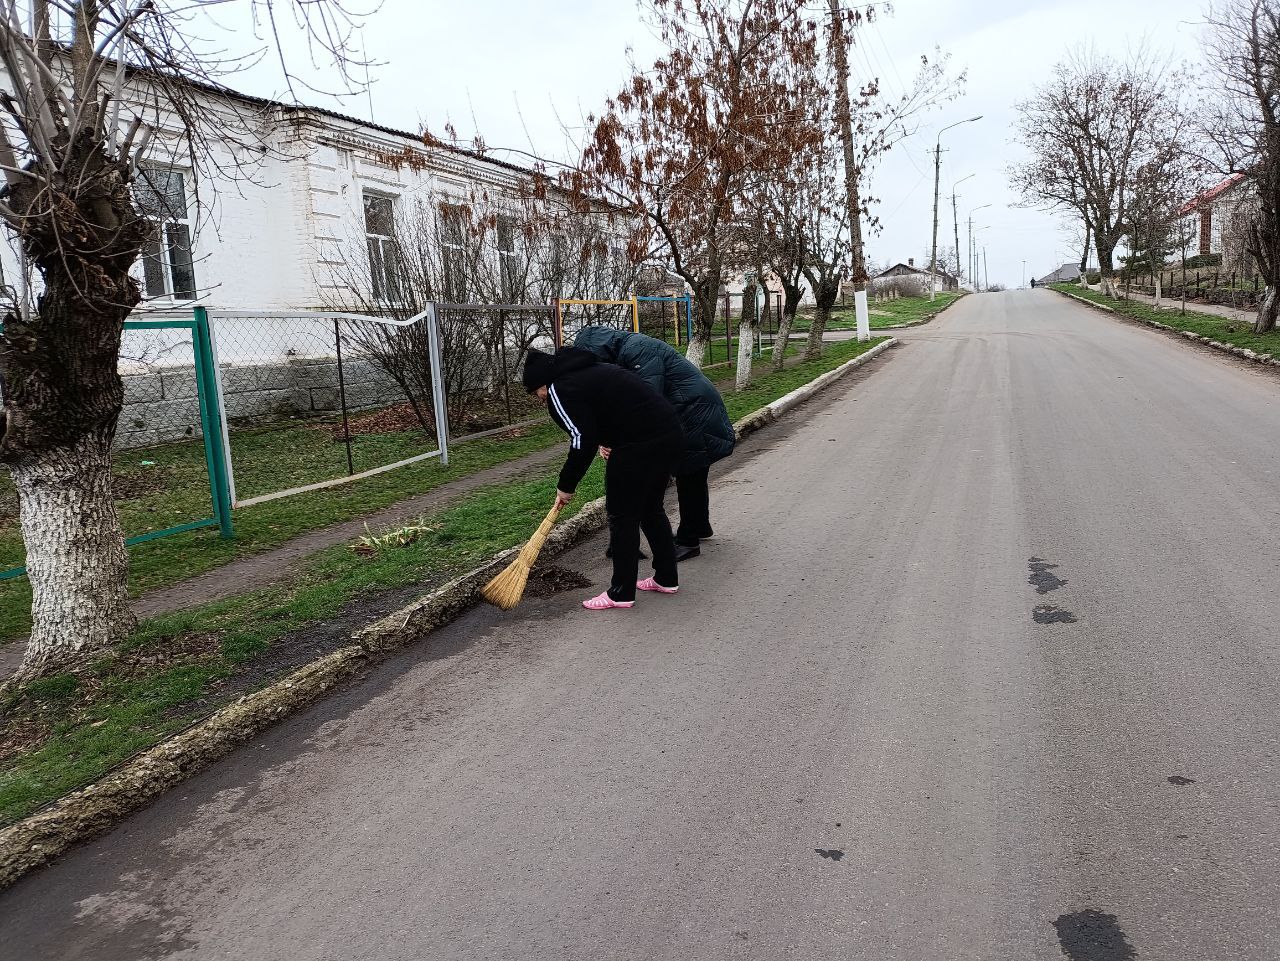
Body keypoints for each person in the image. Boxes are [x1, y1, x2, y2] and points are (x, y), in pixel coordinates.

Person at [521, 346, 685, 611]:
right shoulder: (592, 370)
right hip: (668, 435)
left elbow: (581, 438)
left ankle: (621, 593)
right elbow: (610, 410)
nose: (540, 398)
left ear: (542, 382)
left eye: (535, 392)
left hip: (638, 446)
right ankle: (666, 578)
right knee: (651, 510)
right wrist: (609, 441)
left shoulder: (559, 388)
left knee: (622, 517)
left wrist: (566, 485)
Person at [573, 325, 735, 562]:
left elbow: (645, 399)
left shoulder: (637, 350)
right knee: (693, 472)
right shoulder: (627, 349)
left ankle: (688, 541)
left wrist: (618, 440)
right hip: (688, 408)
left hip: (691, 411)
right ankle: (698, 526)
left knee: (689, 471)